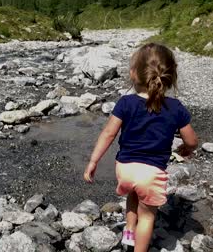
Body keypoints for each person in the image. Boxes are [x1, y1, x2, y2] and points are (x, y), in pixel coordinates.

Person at [83, 43, 198, 252]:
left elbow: (108, 134)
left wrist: (93, 161)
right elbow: (191, 140)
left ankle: (128, 230)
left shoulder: (125, 103)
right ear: (170, 76)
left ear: (134, 74)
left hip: (125, 168)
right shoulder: (175, 108)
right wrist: (187, 150)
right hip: (151, 173)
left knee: (133, 194)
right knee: (147, 217)